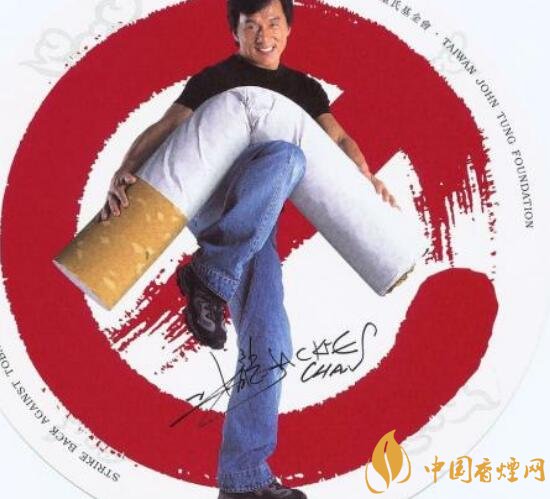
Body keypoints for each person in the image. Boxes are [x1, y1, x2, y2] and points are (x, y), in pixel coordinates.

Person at [99, 1, 397, 497]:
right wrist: (123, 169)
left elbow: (339, 137)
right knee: (288, 157)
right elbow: (167, 126)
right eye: (251, 25)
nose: (264, 35)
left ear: (288, 29)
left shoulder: (304, 89)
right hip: (213, 201)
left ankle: (243, 481)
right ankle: (210, 273)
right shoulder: (216, 78)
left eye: (273, 23)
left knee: (271, 344)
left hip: (255, 222)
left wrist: (366, 178)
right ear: (235, 32)